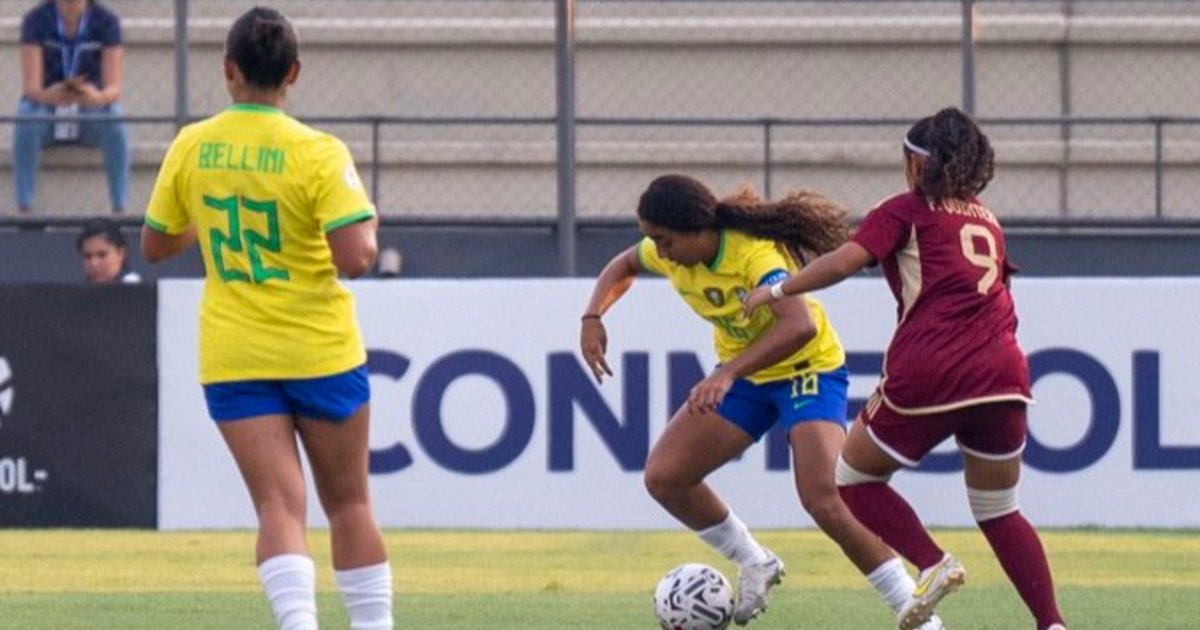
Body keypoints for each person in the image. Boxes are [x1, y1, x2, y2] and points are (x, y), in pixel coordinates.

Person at [744, 107, 1068, 630]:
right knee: (999, 508)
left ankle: (933, 561)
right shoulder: (986, 217)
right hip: (1005, 370)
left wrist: (778, 289)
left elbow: (848, 260)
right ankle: (1052, 625)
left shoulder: (905, 210)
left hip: (933, 365)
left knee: (851, 479)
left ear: (917, 165)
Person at [580, 174, 944, 628]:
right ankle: (755, 561)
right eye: (654, 240)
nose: (659, 250)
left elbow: (800, 326)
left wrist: (729, 373)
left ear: (696, 228)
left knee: (824, 497)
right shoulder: (671, 252)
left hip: (805, 370)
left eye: (664, 239)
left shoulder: (752, 254)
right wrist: (593, 315)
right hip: (749, 377)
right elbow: (623, 266)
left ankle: (919, 615)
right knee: (665, 477)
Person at [140, 7, 392, 630]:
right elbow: (356, 258)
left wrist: (212, 218)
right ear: (294, 74)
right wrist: (370, 218)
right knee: (350, 504)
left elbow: (154, 243)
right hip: (318, 348)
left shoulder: (192, 144)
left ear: (228, 70)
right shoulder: (316, 151)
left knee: (279, 505)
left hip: (235, 353)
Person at [15, 0, 130, 214]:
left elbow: (113, 88)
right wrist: (53, 94)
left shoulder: (106, 21)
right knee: (26, 115)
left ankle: (119, 207)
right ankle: (25, 206)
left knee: (115, 117)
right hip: (48, 108)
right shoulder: (36, 19)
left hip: (89, 109)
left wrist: (96, 96)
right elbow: (31, 88)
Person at [77, 217, 140, 283]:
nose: (93, 263)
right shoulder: (77, 291)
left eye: (102, 255)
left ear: (121, 254)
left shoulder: (134, 288)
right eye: (87, 256)